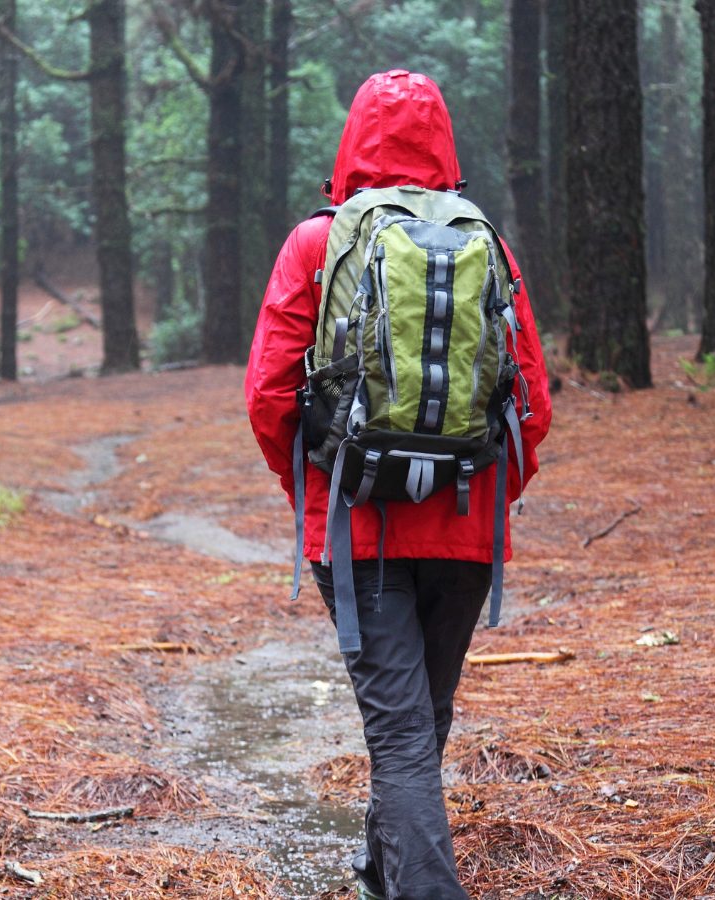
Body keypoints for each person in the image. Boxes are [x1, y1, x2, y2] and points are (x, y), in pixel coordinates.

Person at [243, 70, 554, 899]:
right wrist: (486, 493)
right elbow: (534, 403)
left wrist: (311, 496)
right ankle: (384, 876)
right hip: (466, 527)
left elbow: (269, 395)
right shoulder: (486, 239)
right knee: (423, 722)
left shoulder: (318, 243)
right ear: (446, 140)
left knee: (403, 732)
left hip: (358, 529)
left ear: (352, 141)